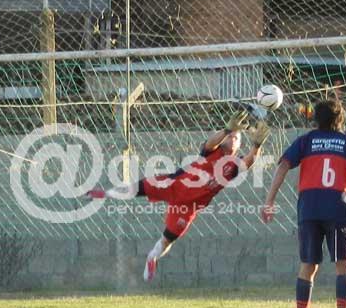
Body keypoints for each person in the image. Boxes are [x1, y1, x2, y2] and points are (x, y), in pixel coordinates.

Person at [87, 110, 269, 282]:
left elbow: (250, 161)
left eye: (235, 137)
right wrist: (228, 129)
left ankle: (152, 257)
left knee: (168, 239)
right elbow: (210, 142)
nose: (232, 138)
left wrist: (257, 145)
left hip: (190, 206)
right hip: (174, 184)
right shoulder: (214, 150)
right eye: (230, 136)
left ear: (239, 145)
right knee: (136, 189)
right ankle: (104, 193)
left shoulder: (233, 165)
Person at [261, 99, 346, 308]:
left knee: (308, 266)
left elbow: (283, 165)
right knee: (343, 266)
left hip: (310, 207)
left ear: (316, 119)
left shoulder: (306, 140)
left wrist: (269, 200)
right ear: (340, 119)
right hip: (337, 207)